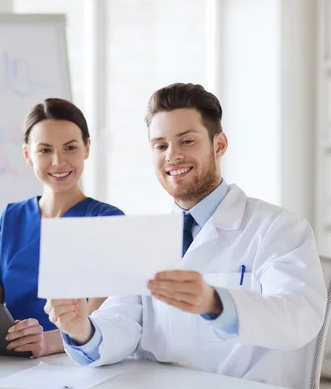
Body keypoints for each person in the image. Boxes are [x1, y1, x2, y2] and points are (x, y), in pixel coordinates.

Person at [44, 83, 327, 388]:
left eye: (187, 141)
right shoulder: (145, 237)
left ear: (219, 145)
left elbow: (299, 318)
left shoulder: (279, 229)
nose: (172, 156)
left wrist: (215, 302)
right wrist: (82, 329)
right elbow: (123, 321)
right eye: (160, 145)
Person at [0, 98, 124, 357]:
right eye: (44, 150)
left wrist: (46, 343)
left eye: (70, 147)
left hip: (77, 364)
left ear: (87, 148)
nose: (58, 161)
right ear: (28, 155)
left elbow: (101, 322)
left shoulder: (109, 222)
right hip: (12, 363)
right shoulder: (12, 217)